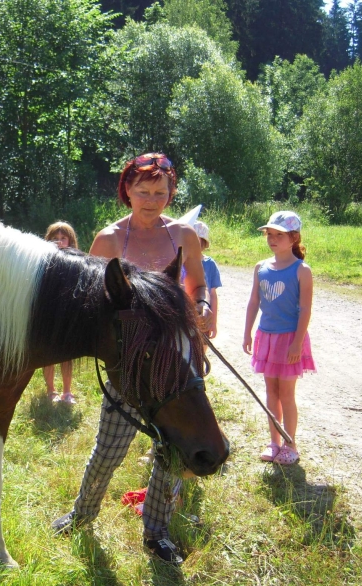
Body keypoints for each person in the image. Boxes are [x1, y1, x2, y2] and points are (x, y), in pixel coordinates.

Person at [51, 153, 214, 565]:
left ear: (171, 192)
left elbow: (198, 285)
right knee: (108, 449)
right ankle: (82, 513)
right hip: (129, 369)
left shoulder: (184, 235)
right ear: (127, 190)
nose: (152, 200)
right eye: (143, 191)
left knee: (171, 452)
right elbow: (90, 301)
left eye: (161, 192)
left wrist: (203, 307)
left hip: (173, 366)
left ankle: (157, 532)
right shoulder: (108, 240)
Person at [243, 211, 316, 466]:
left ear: (294, 238)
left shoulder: (301, 270)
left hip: (289, 340)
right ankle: (274, 442)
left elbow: (305, 309)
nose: (272, 239)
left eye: (279, 235)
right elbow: (254, 301)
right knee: (271, 392)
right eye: (269, 234)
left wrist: (297, 343)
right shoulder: (261, 267)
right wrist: (247, 332)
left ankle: (290, 444)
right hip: (266, 337)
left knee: (286, 394)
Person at [43, 222, 79, 404]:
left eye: (63, 238)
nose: (58, 241)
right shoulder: (43, 260)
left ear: (70, 241)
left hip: (68, 312)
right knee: (48, 354)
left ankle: (67, 392)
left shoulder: (77, 261)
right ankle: (51, 390)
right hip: (48, 312)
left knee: (67, 355)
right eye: (54, 238)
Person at [194, 221, 222, 338]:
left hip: (203, 316)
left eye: (196, 239)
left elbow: (213, 295)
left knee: (202, 345)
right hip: (185, 316)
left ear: (203, 243)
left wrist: (213, 323)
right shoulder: (181, 262)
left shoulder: (209, 264)